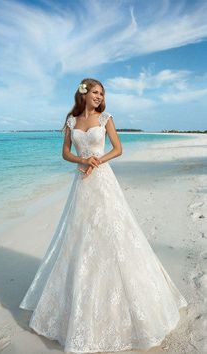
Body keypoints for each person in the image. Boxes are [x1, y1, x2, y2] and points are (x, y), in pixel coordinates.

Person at [19, 78, 188, 353]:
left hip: (103, 182)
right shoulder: (71, 121)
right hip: (81, 184)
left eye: (101, 94)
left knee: (114, 235)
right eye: (94, 92)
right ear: (83, 94)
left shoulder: (106, 117)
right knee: (79, 238)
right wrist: (82, 160)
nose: (98, 97)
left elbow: (118, 148)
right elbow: (64, 153)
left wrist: (97, 161)